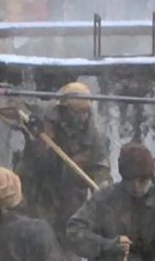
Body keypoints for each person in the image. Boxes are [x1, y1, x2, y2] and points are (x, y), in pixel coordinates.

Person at [19, 81, 112, 245]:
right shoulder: (43, 117)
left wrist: (103, 188)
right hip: (38, 194)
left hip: (70, 203)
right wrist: (30, 126)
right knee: (36, 242)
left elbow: (101, 169)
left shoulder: (93, 137)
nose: (82, 117)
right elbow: (12, 107)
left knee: (67, 247)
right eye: (77, 112)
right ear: (64, 109)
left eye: (85, 112)